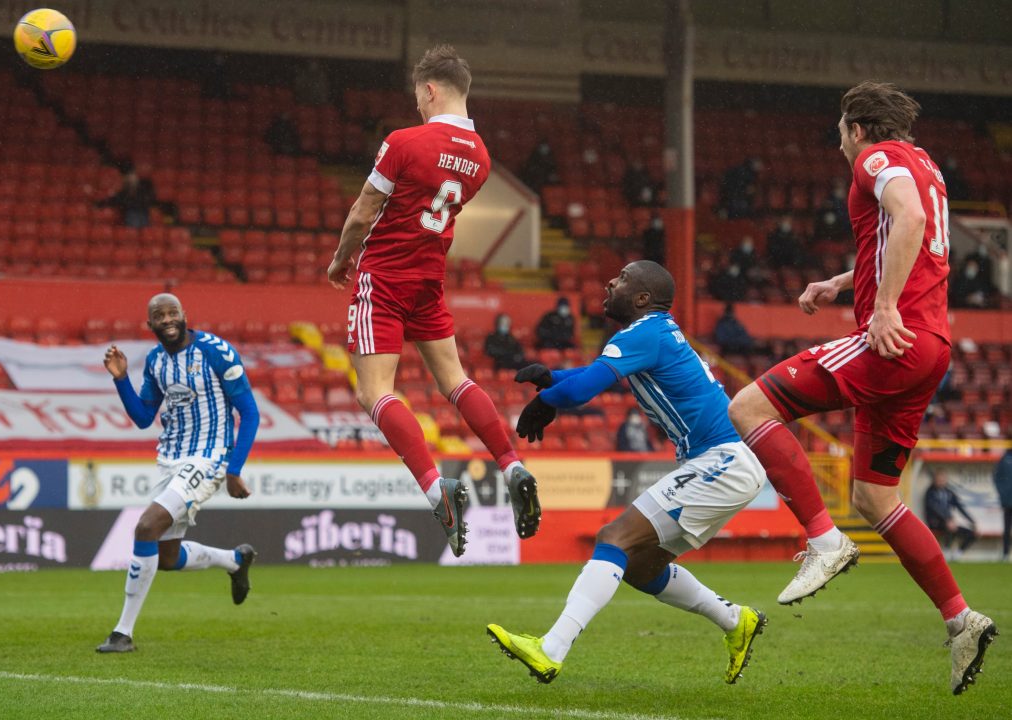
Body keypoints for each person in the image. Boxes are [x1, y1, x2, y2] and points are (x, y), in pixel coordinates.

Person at [726, 82, 996, 694]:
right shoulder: (925, 164)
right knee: (876, 497)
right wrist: (840, 284)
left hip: (893, 344)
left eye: (840, 129)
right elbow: (912, 240)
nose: (838, 141)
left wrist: (884, 309)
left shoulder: (878, 160)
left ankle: (823, 541)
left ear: (856, 128)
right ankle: (962, 620)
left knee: (748, 404)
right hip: (929, 350)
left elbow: (910, 219)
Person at [486, 261, 766, 685]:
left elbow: (582, 391)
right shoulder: (653, 334)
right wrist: (552, 378)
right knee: (638, 567)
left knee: (613, 538)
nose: (609, 282)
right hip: (724, 462)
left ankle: (550, 649)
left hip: (721, 461)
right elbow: (588, 375)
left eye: (620, 279)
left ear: (641, 298)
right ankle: (734, 620)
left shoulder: (645, 332)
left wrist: (548, 400)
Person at [325, 45, 541, 556]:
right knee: (455, 379)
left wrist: (340, 259)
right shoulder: (482, 158)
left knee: (373, 391)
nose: (418, 107)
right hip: (429, 277)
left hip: (386, 275)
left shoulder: (404, 141)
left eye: (418, 98)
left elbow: (362, 211)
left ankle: (433, 487)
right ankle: (512, 464)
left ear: (429, 89)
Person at [96, 293, 260, 653]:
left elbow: (249, 413)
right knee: (167, 558)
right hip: (170, 459)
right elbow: (142, 418)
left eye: (173, 313)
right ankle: (234, 561)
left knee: (145, 527)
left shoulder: (216, 351)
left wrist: (233, 469)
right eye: (159, 315)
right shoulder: (155, 361)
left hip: (210, 456)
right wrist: (122, 380)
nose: (167, 319)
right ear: (150, 324)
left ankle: (122, 632)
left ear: (185, 315)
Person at [924, 472, 976, 560]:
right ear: (934, 480)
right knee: (949, 527)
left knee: (972, 533)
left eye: (943, 480)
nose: (941, 482)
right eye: (939, 480)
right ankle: (946, 551)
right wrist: (947, 519)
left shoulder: (949, 493)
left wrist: (972, 521)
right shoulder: (930, 493)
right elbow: (934, 509)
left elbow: (960, 507)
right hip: (935, 522)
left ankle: (958, 553)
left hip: (950, 522)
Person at [96, 167, 162, 229]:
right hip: (131, 212)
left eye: (132, 176)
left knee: (143, 224)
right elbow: (116, 200)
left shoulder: (143, 188)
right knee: (133, 218)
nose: (131, 179)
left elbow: (149, 199)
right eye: (129, 177)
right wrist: (100, 204)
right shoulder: (125, 191)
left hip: (143, 211)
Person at [994, 449, 1012, 561]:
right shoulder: (1005, 457)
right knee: (1007, 528)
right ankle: (1005, 553)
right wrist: (1003, 493)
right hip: (1008, 501)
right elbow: (997, 477)